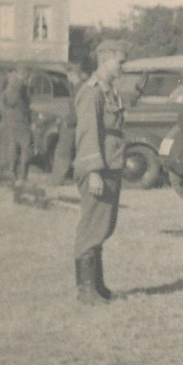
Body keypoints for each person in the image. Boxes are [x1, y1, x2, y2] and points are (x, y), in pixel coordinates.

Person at [72, 41, 129, 305]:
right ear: (105, 61)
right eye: (120, 61)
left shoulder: (108, 90)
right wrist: (93, 171)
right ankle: (86, 292)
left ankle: (98, 286)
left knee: (103, 225)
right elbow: (88, 134)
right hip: (99, 169)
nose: (123, 66)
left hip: (111, 166)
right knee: (92, 227)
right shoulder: (91, 93)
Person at [50, 64, 87, 185]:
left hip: (73, 126)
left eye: (68, 75)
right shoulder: (79, 87)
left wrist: (67, 121)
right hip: (74, 123)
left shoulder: (79, 88)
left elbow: (77, 110)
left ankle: (58, 180)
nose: (68, 78)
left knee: (63, 151)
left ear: (72, 75)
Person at [0, 66, 33, 184]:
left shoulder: (8, 84)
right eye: (28, 74)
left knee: (13, 147)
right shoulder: (20, 85)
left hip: (10, 121)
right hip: (22, 121)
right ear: (23, 73)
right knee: (26, 148)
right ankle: (23, 176)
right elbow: (26, 103)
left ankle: (12, 173)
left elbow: (4, 102)